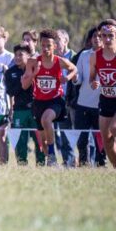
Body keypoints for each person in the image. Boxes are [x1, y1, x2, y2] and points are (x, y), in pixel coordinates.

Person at [22, 29, 77, 165]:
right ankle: (51, 161)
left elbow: (74, 69)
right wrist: (34, 74)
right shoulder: (33, 62)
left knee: (47, 120)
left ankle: (52, 155)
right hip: (38, 103)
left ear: (55, 47)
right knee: (43, 143)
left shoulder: (60, 61)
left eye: (49, 46)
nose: (46, 49)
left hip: (55, 101)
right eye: (43, 45)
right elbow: (24, 85)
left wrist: (67, 77)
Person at [4, 44, 44, 165]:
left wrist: (30, 77)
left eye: (21, 55)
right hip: (19, 111)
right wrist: (22, 83)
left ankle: (41, 163)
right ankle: (22, 164)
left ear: (28, 56)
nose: (17, 57)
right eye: (16, 55)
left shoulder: (36, 69)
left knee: (39, 139)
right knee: (20, 140)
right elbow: (10, 92)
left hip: (35, 110)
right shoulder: (10, 72)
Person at [74, 27, 104, 166]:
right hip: (83, 102)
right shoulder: (84, 55)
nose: (96, 39)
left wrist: (101, 84)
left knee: (101, 137)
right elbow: (79, 77)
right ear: (90, 39)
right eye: (94, 36)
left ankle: (100, 163)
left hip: (102, 104)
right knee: (82, 137)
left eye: (99, 36)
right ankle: (83, 163)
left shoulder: (110, 55)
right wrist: (74, 78)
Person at [90, 19, 116, 167]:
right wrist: (93, 82)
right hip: (106, 99)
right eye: (104, 36)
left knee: (114, 128)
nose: (107, 39)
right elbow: (92, 77)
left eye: (111, 36)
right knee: (106, 139)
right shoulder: (95, 56)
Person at [54, 29, 75, 166]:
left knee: (81, 133)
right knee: (62, 133)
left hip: (74, 101)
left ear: (66, 41)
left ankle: (88, 161)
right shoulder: (53, 58)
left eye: (58, 39)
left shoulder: (74, 56)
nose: (55, 43)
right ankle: (68, 161)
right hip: (59, 100)